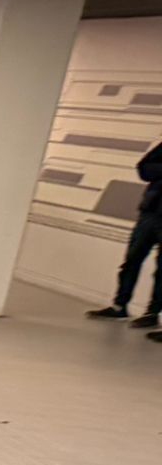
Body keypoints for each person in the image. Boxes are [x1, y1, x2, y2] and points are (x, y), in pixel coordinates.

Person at [88, 139, 162, 328]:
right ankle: (120, 305)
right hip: (151, 212)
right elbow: (143, 168)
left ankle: (152, 313)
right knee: (132, 260)